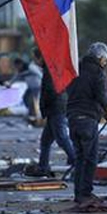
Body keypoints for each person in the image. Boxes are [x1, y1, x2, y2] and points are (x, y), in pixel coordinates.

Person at [66, 42, 107, 205]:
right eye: (105, 60)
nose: (105, 63)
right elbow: (103, 96)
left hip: (73, 119)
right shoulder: (98, 73)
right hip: (88, 120)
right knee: (90, 159)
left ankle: (79, 194)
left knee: (81, 157)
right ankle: (85, 193)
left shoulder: (76, 69)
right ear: (100, 58)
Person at [30, 48, 75, 176]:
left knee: (61, 137)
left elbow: (49, 91)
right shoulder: (50, 68)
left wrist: (44, 110)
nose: (34, 61)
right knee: (45, 140)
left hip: (56, 108)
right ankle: (43, 167)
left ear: (40, 57)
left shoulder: (49, 70)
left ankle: (76, 160)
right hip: (55, 108)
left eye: (35, 58)